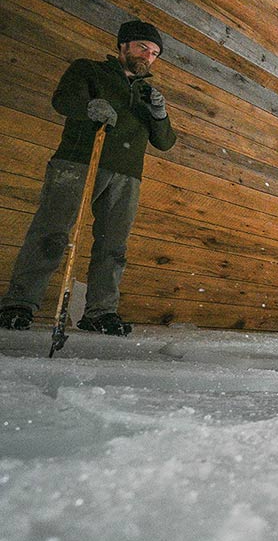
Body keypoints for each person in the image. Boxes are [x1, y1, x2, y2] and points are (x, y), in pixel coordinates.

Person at [0, 19, 176, 336]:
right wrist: (90, 106)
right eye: (142, 47)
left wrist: (159, 115)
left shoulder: (148, 94)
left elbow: (164, 142)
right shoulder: (90, 71)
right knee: (51, 232)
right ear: (123, 46)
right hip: (79, 162)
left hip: (127, 176)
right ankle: (19, 304)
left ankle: (100, 311)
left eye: (154, 53)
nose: (147, 56)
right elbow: (62, 100)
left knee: (113, 246)